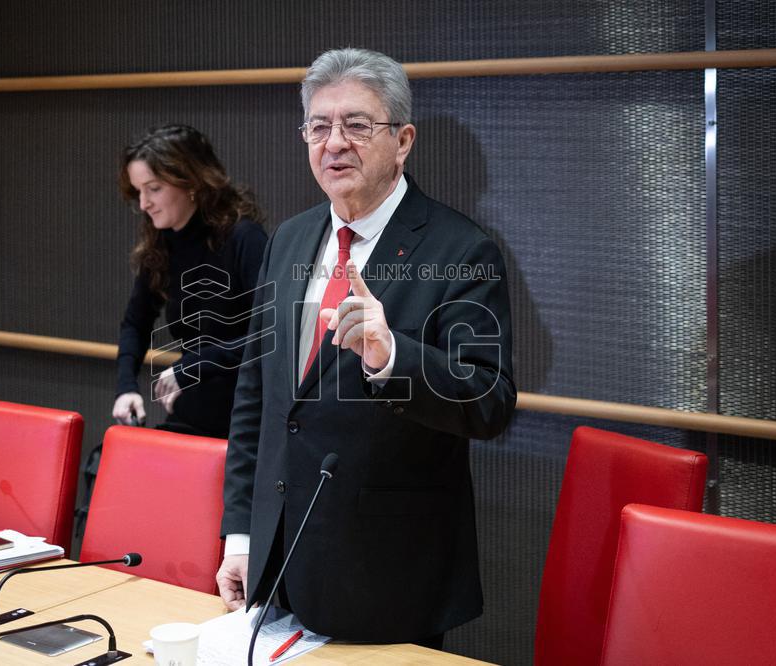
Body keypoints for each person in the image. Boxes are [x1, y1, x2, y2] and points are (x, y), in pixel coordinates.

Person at [216, 48, 516, 647]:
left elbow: (490, 401)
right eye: (318, 126)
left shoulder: (461, 249)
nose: (334, 143)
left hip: (387, 573)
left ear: (403, 140)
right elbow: (261, 397)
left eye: (357, 125)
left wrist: (393, 356)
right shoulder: (291, 238)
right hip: (279, 563)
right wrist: (243, 536)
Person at [112, 125, 267, 438]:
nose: (143, 204)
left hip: (246, 413)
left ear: (191, 182)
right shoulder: (162, 244)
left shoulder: (243, 238)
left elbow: (268, 333)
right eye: (138, 191)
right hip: (193, 408)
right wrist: (125, 388)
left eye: (153, 189)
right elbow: (135, 323)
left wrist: (192, 367)